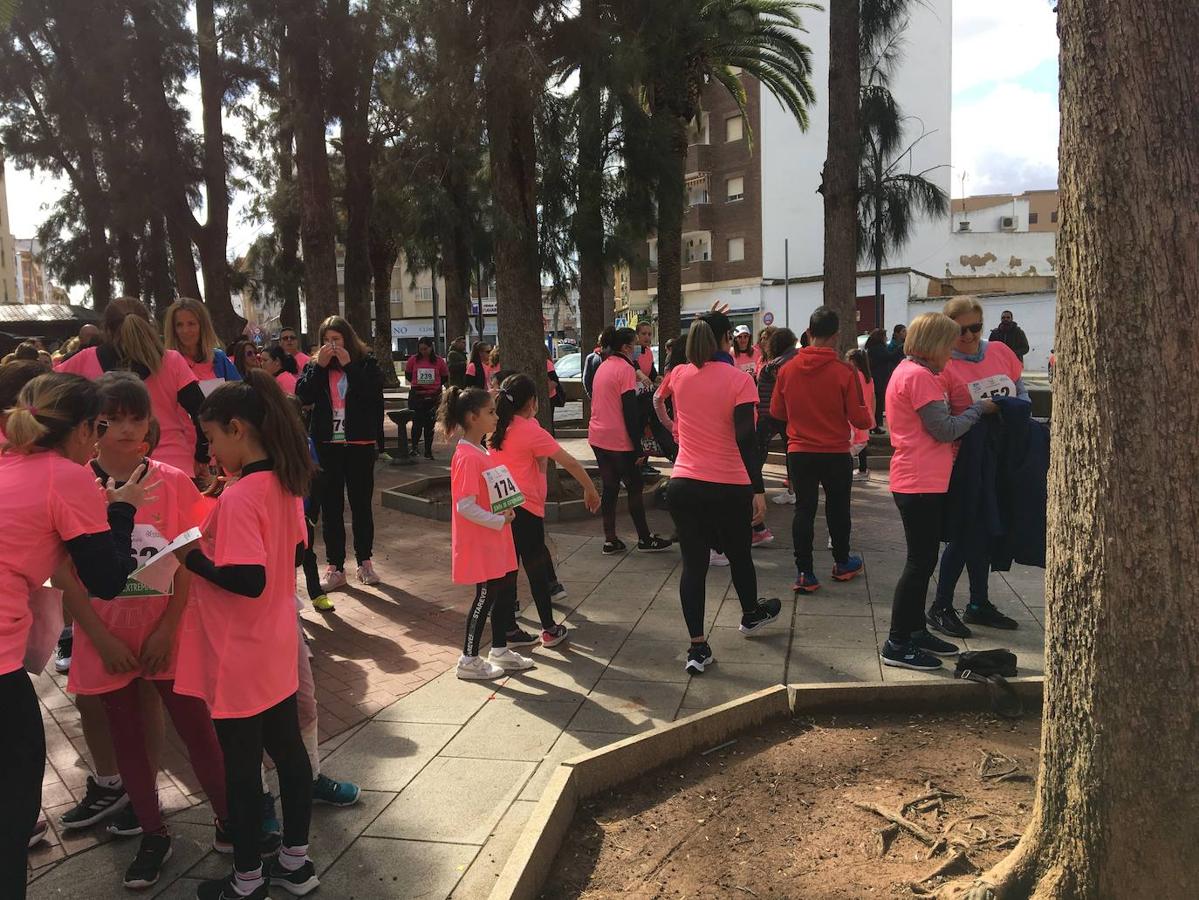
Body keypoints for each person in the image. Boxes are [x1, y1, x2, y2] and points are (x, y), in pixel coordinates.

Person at [64, 373, 229, 889]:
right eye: (115, 417)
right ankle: (153, 831)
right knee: (129, 741)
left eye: (139, 417)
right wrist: (100, 636)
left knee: (198, 729)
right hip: (104, 638)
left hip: (166, 634)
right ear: (93, 424)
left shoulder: (173, 480)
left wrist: (169, 627)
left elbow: (185, 561)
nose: (130, 428)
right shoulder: (71, 485)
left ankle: (231, 820)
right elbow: (64, 576)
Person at [0, 373, 151, 898]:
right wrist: (122, 508)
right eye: (102, 425)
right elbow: (108, 579)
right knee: (13, 809)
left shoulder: (6, 460)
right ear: (85, 428)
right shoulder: (65, 477)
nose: (104, 435)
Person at [173, 371, 319, 900]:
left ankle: (249, 878)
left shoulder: (241, 498)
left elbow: (247, 580)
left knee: (241, 765)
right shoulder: (282, 482)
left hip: (240, 649)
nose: (210, 451)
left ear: (237, 429)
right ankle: (296, 863)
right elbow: (296, 554)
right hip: (276, 640)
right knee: (287, 751)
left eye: (212, 438)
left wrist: (192, 559)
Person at [659, 311, 782, 675]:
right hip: (728, 483)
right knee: (740, 555)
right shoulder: (738, 380)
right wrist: (757, 487)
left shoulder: (679, 375)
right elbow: (745, 436)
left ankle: (697, 647)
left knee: (693, 567)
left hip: (683, 483)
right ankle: (750, 614)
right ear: (728, 337)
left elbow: (660, 396)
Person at [882, 313, 996, 671]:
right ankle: (897, 641)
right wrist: (979, 409)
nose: (952, 352)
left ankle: (914, 631)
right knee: (919, 563)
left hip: (920, 478)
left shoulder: (912, 371)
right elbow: (945, 430)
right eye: (948, 344)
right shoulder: (919, 377)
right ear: (933, 344)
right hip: (919, 481)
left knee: (924, 560)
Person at [928, 297, 1029, 636]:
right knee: (963, 531)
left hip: (999, 455)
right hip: (964, 461)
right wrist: (981, 412)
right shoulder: (943, 364)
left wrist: (1007, 407)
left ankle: (978, 602)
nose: (969, 336)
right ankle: (941, 605)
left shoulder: (1000, 353)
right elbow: (942, 419)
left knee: (986, 530)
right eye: (961, 330)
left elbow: (1022, 393)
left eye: (975, 328)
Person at [491, 374, 601, 647]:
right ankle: (549, 629)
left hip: (502, 507)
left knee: (509, 570)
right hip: (525, 508)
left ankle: (508, 628)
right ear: (532, 401)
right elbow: (571, 463)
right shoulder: (531, 431)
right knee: (537, 569)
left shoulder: (496, 427)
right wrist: (590, 489)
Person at [770, 307, 872, 594]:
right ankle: (842, 563)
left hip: (800, 451)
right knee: (838, 510)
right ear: (836, 336)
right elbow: (859, 418)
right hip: (835, 452)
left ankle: (804, 572)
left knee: (804, 509)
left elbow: (777, 411)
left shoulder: (787, 370)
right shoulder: (844, 372)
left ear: (809, 332)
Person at [439, 386, 534, 680]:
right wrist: (496, 519)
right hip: (483, 539)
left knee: (504, 590)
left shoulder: (480, 449)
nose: (496, 416)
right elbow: (464, 505)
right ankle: (468, 659)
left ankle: (500, 650)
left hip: (495, 537)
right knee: (486, 595)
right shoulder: (467, 455)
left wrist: (504, 512)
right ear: (472, 416)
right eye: (490, 412)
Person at [55, 297, 209, 476]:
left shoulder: (84, 360)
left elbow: (46, 393)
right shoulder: (172, 360)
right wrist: (202, 454)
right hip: (172, 466)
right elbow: (202, 410)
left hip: (106, 471)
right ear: (146, 323)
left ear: (107, 329)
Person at [295, 316, 384, 589]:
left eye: (337, 339)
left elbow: (371, 393)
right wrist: (319, 367)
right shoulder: (315, 366)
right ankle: (335, 566)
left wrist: (350, 365)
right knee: (331, 507)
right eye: (327, 340)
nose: (332, 345)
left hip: (359, 446)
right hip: (327, 446)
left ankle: (365, 562)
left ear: (347, 338)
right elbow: (303, 395)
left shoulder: (366, 363)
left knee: (361, 505)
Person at [587, 326, 672, 556]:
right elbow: (629, 410)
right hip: (618, 440)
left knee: (611, 487)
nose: (637, 349)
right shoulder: (625, 369)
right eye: (634, 345)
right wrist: (637, 448)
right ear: (625, 347)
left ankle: (610, 539)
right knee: (634, 486)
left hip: (598, 436)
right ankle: (644, 538)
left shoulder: (603, 366)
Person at [759, 329, 799, 510]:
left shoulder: (774, 366)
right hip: (789, 414)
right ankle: (794, 489)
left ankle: (752, 486)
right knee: (790, 449)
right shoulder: (796, 360)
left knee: (758, 449)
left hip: (771, 413)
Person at [163, 298, 241, 385]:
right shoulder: (169, 365)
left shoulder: (219, 359)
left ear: (203, 326)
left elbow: (240, 393)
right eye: (179, 325)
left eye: (191, 324)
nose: (185, 330)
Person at [405, 337, 449, 460]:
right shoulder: (413, 360)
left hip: (433, 396)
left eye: (425, 349)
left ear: (431, 348)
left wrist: (434, 386)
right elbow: (408, 375)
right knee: (417, 423)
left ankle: (428, 450)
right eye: (421, 349)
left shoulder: (439, 361)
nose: (423, 351)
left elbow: (444, 376)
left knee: (430, 425)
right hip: (417, 396)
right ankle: (414, 447)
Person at [845, 348, 875, 482]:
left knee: (850, 445)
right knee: (862, 444)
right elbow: (873, 397)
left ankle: (849, 471)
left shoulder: (854, 375)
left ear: (853, 361)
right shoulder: (868, 377)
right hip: (866, 414)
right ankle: (863, 469)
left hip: (855, 414)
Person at [865, 329, 894, 433]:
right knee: (878, 402)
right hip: (879, 378)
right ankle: (875, 424)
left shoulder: (872, 348)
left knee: (876, 402)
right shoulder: (878, 348)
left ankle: (875, 424)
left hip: (876, 376)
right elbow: (888, 357)